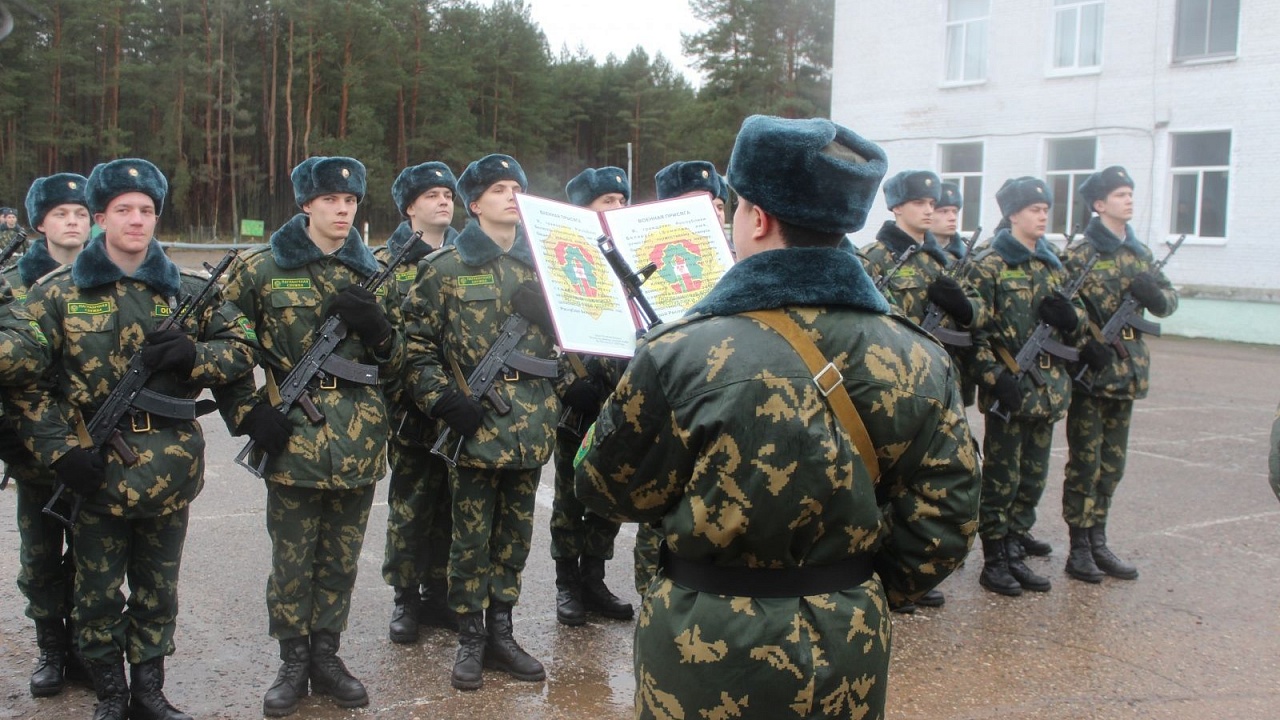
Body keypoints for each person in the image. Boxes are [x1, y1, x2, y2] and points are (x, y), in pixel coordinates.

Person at [574, 115, 980, 720]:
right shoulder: (919, 354)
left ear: (757, 218)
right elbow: (949, 514)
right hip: (849, 639)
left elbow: (607, 488)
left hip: (701, 642)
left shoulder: (681, 351)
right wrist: (854, 588)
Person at [16, 158, 256, 720]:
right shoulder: (56, 293)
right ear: (101, 218)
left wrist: (195, 354)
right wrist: (61, 451)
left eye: (146, 210)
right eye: (123, 209)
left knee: (158, 590)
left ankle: (149, 692)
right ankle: (111, 694)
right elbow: (30, 385)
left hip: (170, 471)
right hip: (96, 471)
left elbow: (244, 350)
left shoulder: (188, 290)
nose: (136, 220)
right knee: (97, 595)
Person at [223, 156, 403, 716]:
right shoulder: (261, 270)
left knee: (341, 558)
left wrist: (378, 330)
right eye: (330, 200)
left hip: (359, 439)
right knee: (294, 558)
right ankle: (292, 660)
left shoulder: (374, 271)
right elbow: (225, 350)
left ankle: (327, 656)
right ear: (306, 204)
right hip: (293, 438)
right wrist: (250, 414)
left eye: (350, 202)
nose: (342, 210)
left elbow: (398, 362)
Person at [401, 153, 559, 691]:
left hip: (532, 424)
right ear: (474, 204)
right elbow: (414, 349)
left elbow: (582, 340)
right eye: (497, 188)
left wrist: (554, 318)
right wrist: (442, 400)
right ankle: (471, 637)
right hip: (474, 428)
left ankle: (503, 633)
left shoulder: (548, 266)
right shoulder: (443, 270)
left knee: (515, 538)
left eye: (517, 186)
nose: (511, 195)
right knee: (469, 540)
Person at [967, 176, 1085, 597]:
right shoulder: (989, 265)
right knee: (1002, 478)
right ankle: (995, 558)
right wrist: (994, 378)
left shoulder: (1055, 265)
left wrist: (1073, 320)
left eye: (1045, 209)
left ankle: (1016, 546)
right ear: (1013, 213)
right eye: (1035, 209)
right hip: (1010, 390)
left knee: (1033, 479)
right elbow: (975, 332)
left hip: (1048, 392)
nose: (1043, 215)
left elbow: (1080, 325)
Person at [1060, 166, 1178, 583]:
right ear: (1098, 204)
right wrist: (1081, 349)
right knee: (1085, 464)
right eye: (1120, 194)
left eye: (1131, 193)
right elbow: (1058, 312)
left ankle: (1099, 540)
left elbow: (1169, 302)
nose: (1129, 200)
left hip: (1127, 375)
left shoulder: (1140, 253)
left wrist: (1156, 297)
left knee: (1112, 465)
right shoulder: (1079, 255)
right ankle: (1078, 548)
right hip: (1093, 374)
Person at [1, 173, 92, 698]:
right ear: (40, 224)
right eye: (62, 214)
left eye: (81, 213)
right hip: (32, 443)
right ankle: (50, 649)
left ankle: (85, 644)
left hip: (89, 441)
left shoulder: (104, 279)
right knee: (39, 553)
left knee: (91, 551)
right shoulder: (13, 282)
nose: (73, 222)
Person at [628, 159, 731, 598]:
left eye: (719, 203)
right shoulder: (645, 265)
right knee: (664, 512)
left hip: (732, 404)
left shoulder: (747, 261)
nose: (713, 212)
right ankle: (655, 602)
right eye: (697, 204)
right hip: (674, 406)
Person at [379, 161, 461, 644]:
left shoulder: (466, 261)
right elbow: (384, 343)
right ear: (409, 207)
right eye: (431, 195)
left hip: (460, 408)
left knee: (452, 504)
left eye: (448, 193)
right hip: (410, 410)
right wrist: (404, 398)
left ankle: (440, 592)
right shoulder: (384, 266)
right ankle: (405, 598)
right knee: (410, 506)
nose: (443, 201)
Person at [549, 167, 634, 626]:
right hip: (577, 402)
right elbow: (541, 333)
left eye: (622, 200)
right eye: (607, 201)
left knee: (608, 495)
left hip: (622, 399)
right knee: (569, 496)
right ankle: (567, 585)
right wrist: (567, 383)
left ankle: (594, 579)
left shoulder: (631, 261)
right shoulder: (562, 259)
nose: (617, 208)